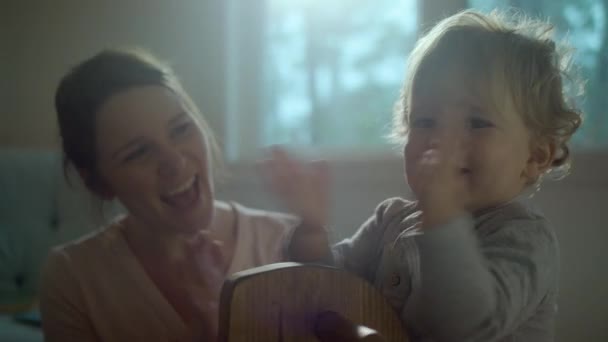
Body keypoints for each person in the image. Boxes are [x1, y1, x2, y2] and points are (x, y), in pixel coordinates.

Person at [265, 9, 583, 341]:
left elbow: (465, 328)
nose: (442, 139)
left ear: (536, 155)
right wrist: (312, 229)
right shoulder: (390, 220)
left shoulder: (524, 238)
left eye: (476, 123)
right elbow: (328, 289)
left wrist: (442, 217)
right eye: (425, 121)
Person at [39, 48, 298, 342]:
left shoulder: (289, 240)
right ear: (99, 183)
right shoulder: (72, 277)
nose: (174, 161)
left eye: (181, 129)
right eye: (139, 152)